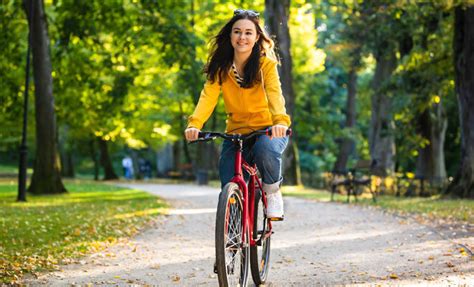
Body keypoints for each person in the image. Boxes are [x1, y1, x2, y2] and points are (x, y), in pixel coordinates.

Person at [184, 9, 290, 220]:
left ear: (257, 36)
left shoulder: (265, 65)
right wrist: (194, 124)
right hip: (236, 132)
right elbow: (208, 97)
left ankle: (272, 191)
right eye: (237, 32)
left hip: (268, 130)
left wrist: (279, 121)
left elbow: (274, 94)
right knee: (228, 179)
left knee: (264, 149)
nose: (242, 37)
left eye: (249, 33)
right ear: (230, 35)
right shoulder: (221, 68)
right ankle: (232, 228)